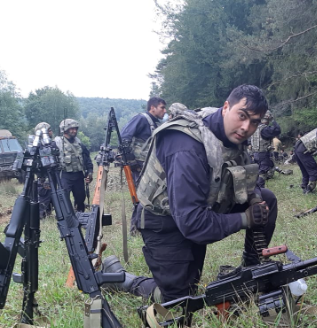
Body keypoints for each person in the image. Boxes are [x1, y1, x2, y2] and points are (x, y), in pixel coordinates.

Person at [103, 85, 278, 303]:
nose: (246, 127)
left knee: (266, 199)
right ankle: (122, 280)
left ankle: (252, 269)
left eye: (254, 122)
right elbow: (193, 224)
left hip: (200, 208)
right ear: (226, 107)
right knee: (179, 299)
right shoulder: (186, 145)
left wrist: (255, 198)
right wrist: (246, 218)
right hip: (164, 222)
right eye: (241, 116)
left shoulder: (232, 132)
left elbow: (246, 175)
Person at [120, 97, 166, 184]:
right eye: (162, 107)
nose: (165, 110)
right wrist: (131, 160)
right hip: (139, 166)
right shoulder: (141, 118)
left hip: (151, 164)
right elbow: (124, 138)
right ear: (152, 108)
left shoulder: (156, 123)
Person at [54, 119, 93, 212]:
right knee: (64, 199)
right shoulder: (57, 144)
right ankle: (67, 220)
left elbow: (87, 160)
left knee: (80, 198)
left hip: (79, 176)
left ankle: (80, 216)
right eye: (71, 129)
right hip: (64, 175)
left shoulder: (79, 144)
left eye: (75, 129)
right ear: (65, 130)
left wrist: (90, 173)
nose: (74, 131)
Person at [250, 110, 281, 187]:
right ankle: (260, 190)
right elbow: (277, 130)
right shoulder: (265, 129)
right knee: (262, 173)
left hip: (255, 154)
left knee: (258, 172)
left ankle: (256, 188)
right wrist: (273, 121)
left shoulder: (254, 128)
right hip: (263, 154)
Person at [33, 122, 54, 219]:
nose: (51, 132)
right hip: (43, 178)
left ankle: (49, 213)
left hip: (54, 177)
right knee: (43, 200)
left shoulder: (52, 144)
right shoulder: (37, 147)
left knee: (55, 198)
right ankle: (42, 216)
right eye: (49, 131)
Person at [294, 128, 317, 193]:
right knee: (314, 171)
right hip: (304, 150)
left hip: (297, 147)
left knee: (305, 170)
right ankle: (309, 189)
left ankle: (304, 185)